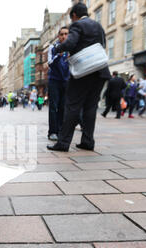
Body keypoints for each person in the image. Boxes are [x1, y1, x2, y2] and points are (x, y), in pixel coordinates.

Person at [47, 2, 111, 152]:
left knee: (72, 106)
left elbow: (70, 42)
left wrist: (57, 47)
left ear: (74, 15)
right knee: (90, 107)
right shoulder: (98, 26)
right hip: (101, 70)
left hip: (84, 71)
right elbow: (103, 45)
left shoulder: (77, 25)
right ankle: (88, 141)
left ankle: (63, 143)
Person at [47, 27, 70, 141]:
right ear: (58, 36)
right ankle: (52, 132)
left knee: (63, 107)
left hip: (66, 81)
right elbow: (50, 63)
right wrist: (58, 56)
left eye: (66, 34)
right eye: (61, 34)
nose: (64, 36)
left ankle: (60, 130)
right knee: (53, 107)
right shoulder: (53, 47)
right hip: (54, 80)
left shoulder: (71, 48)